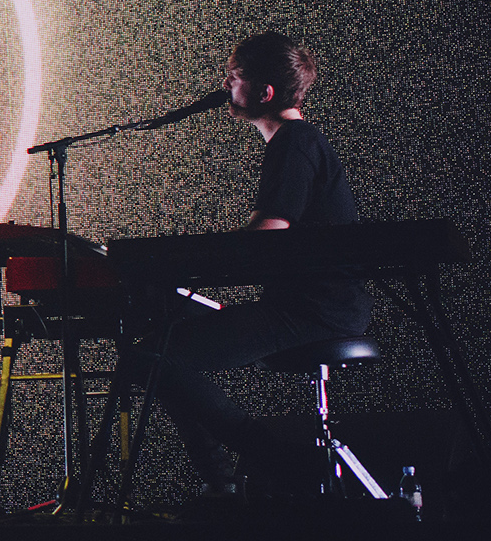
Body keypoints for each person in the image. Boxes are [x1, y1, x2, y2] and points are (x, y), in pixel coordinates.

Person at [125, 32, 372, 495]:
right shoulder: (298, 141)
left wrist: (192, 261)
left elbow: (267, 236)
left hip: (314, 312)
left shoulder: (294, 143)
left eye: (235, 76)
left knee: (152, 356)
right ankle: (223, 484)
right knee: (157, 349)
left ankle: (269, 460)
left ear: (265, 92)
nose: (225, 84)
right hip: (306, 305)